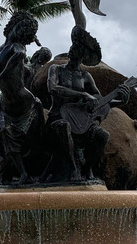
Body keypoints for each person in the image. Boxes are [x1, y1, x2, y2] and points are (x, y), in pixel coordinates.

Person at [44, 26, 128, 183]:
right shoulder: (55, 69)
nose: (72, 48)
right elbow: (53, 88)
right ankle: (74, 169)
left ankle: (88, 168)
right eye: (72, 45)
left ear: (82, 54)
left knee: (102, 136)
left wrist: (122, 101)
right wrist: (82, 94)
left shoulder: (86, 76)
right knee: (63, 127)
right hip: (57, 118)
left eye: (77, 47)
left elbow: (100, 102)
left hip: (81, 124)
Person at [0, 11, 45, 185]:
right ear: (13, 26)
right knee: (4, 133)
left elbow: (16, 59)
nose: (21, 33)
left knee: (28, 141)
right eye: (21, 28)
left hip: (25, 104)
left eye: (25, 32)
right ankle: (22, 174)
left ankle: (28, 173)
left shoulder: (18, 49)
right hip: (7, 105)